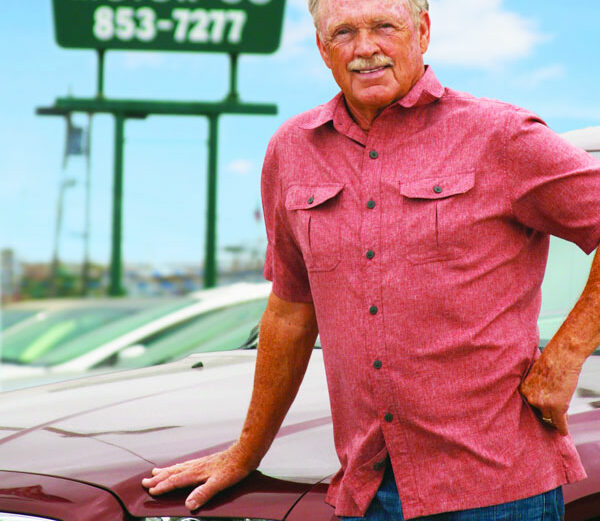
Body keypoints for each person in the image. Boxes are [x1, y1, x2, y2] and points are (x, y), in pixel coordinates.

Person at [142, 0, 600, 519]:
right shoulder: (291, 150)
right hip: (365, 489)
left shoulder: (501, 135)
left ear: (422, 32)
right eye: (343, 33)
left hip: (498, 487)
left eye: (385, 26)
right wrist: (245, 453)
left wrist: (565, 356)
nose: (364, 49)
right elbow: (290, 311)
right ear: (321, 48)